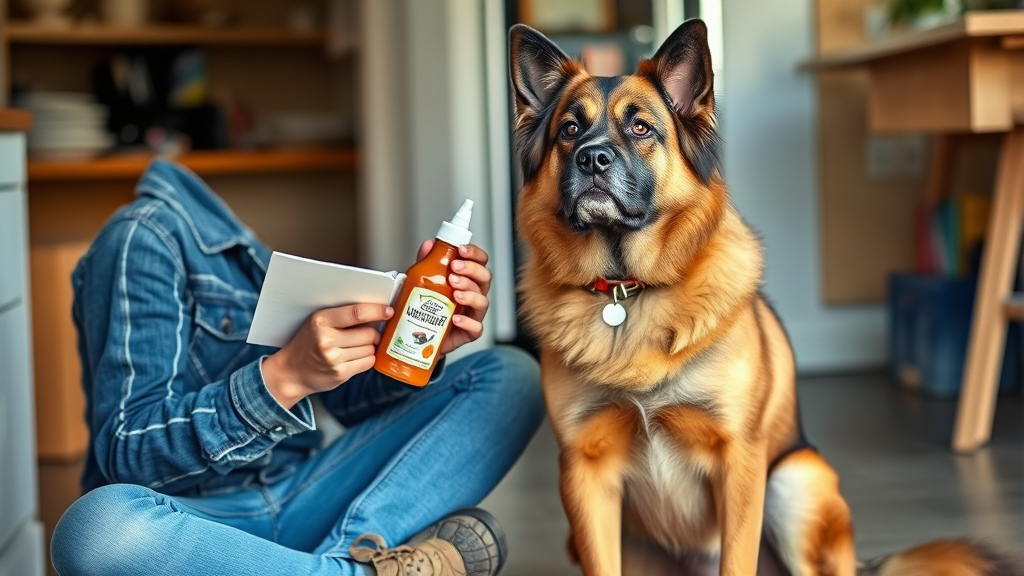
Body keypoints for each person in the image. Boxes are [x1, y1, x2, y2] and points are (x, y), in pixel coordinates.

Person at [49, 160, 544, 576]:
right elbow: (127, 454)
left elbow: (349, 406)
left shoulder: (251, 257)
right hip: (193, 522)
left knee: (512, 376)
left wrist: (423, 346)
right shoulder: (144, 237)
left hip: (303, 492)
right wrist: (285, 378)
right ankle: (361, 567)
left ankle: (329, 565)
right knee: (98, 530)